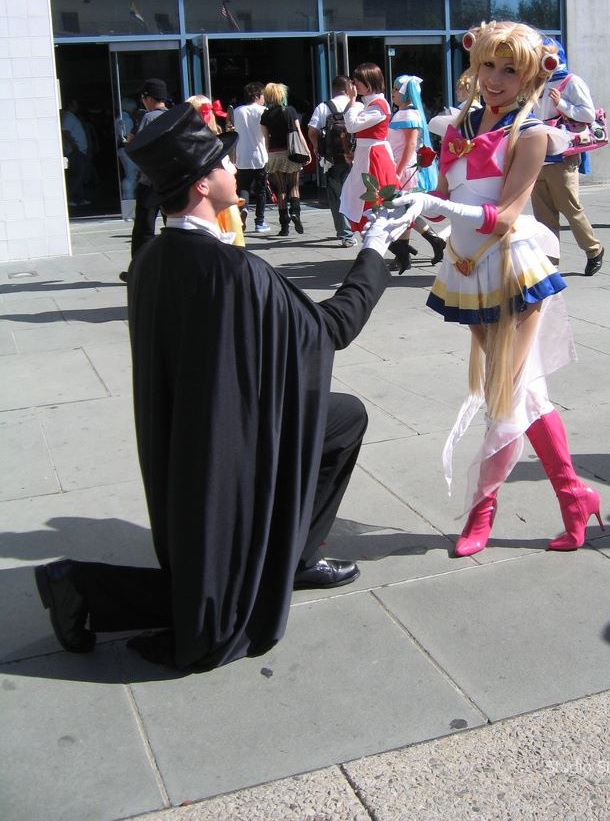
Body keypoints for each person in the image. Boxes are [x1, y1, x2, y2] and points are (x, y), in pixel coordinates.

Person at [33, 102, 410, 671]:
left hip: (187, 429)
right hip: (228, 438)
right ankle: (82, 588)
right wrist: (374, 254)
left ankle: (300, 555)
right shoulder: (237, 272)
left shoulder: (152, 259)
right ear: (204, 183)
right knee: (226, 607)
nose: (236, 169)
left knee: (343, 416)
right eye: (225, 163)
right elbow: (330, 331)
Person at [393, 20, 604, 558]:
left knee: (504, 396)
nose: (495, 78)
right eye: (489, 65)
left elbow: (507, 216)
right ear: (474, 63)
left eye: (510, 70)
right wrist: (408, 210)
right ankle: (574, 496)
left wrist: (440, 206)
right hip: (469, 269)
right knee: (526, 393)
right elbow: (444, 193)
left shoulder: (532, 134)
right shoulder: (458, 121)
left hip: (512, 267)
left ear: (532, 75)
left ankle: (481, 512)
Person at [531, 39, 605, 276]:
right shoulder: (536, 83)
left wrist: (561, 104)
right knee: (542, 213)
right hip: (537, 154)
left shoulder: (571, 81)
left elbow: (588, 114)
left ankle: (594, 250)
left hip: (562, 154)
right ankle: (549, 261)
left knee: (570, 207)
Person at [387, 74, 445, 273]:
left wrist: (398, 170)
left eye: (396, 89)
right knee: (405, 211)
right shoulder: (404, 112)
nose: (393, 92)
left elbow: (411, 145)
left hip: (405, 171)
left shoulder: (408, 114)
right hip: (404, 168)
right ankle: (430, 242)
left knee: (402, 211)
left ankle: (403, 254)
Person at [339, 62, 398, 240]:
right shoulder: (370, 103)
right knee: (360, 197)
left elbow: (351, 126)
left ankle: (385, 245)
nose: (354, 85)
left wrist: (352, 101)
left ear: (369, 81)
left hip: (374, 156)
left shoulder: (378, 105)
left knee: (373, 200)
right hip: (367, 154)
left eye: (358, 81)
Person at [119, 78, 168, 282]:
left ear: (148, 98)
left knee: (143, 228)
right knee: (173, 225)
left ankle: (139, 271)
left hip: (150, 181)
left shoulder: (147, 118)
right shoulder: (173, 116)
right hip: (170, 181)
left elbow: (135, 146)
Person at [186, 94, 245, 247]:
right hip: (218, 207)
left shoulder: (194, 145)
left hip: (206, 207)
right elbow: (230, 170)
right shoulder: (215, 142)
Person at [308, 75, 356, 247]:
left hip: (333, 159)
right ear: (348, 88)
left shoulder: (324, 107)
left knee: (337, 195)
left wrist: (316, 148)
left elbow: (312, 131)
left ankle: (345, 234)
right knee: (356, 193)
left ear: (333, 89)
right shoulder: (356, 105)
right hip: (355, 157)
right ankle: (359, 229)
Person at [260, 83, 310, 236]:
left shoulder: (265, 115)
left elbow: (265, 139)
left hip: (274, 153)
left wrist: (268, 155)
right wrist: (307, 151)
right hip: (291, 152)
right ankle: (295, 212)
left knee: (281, 189)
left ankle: (284, 226)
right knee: (294, 186)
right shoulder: (290, 111)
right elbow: (299, 132)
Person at [234, 82, 271, 234]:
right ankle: (259, 222)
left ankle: (243, 208)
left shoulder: (237, 111)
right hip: (260, 154)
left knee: (243, 187)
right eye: (263, 96)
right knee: (261, 189)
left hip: (242, 155)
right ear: (257, 96)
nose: (264, 99)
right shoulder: (264, 111)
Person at [60, 99, 92, 208]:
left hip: (79, 150)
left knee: (79, 175)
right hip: (76, 151)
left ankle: (80, 199)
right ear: (70, 105)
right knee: (77, 175)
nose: (77, 106)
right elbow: (65, 131)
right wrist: (74, 146)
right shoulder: (68, 117)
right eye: (76, 104)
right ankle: (69, 198)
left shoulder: (70, 117)